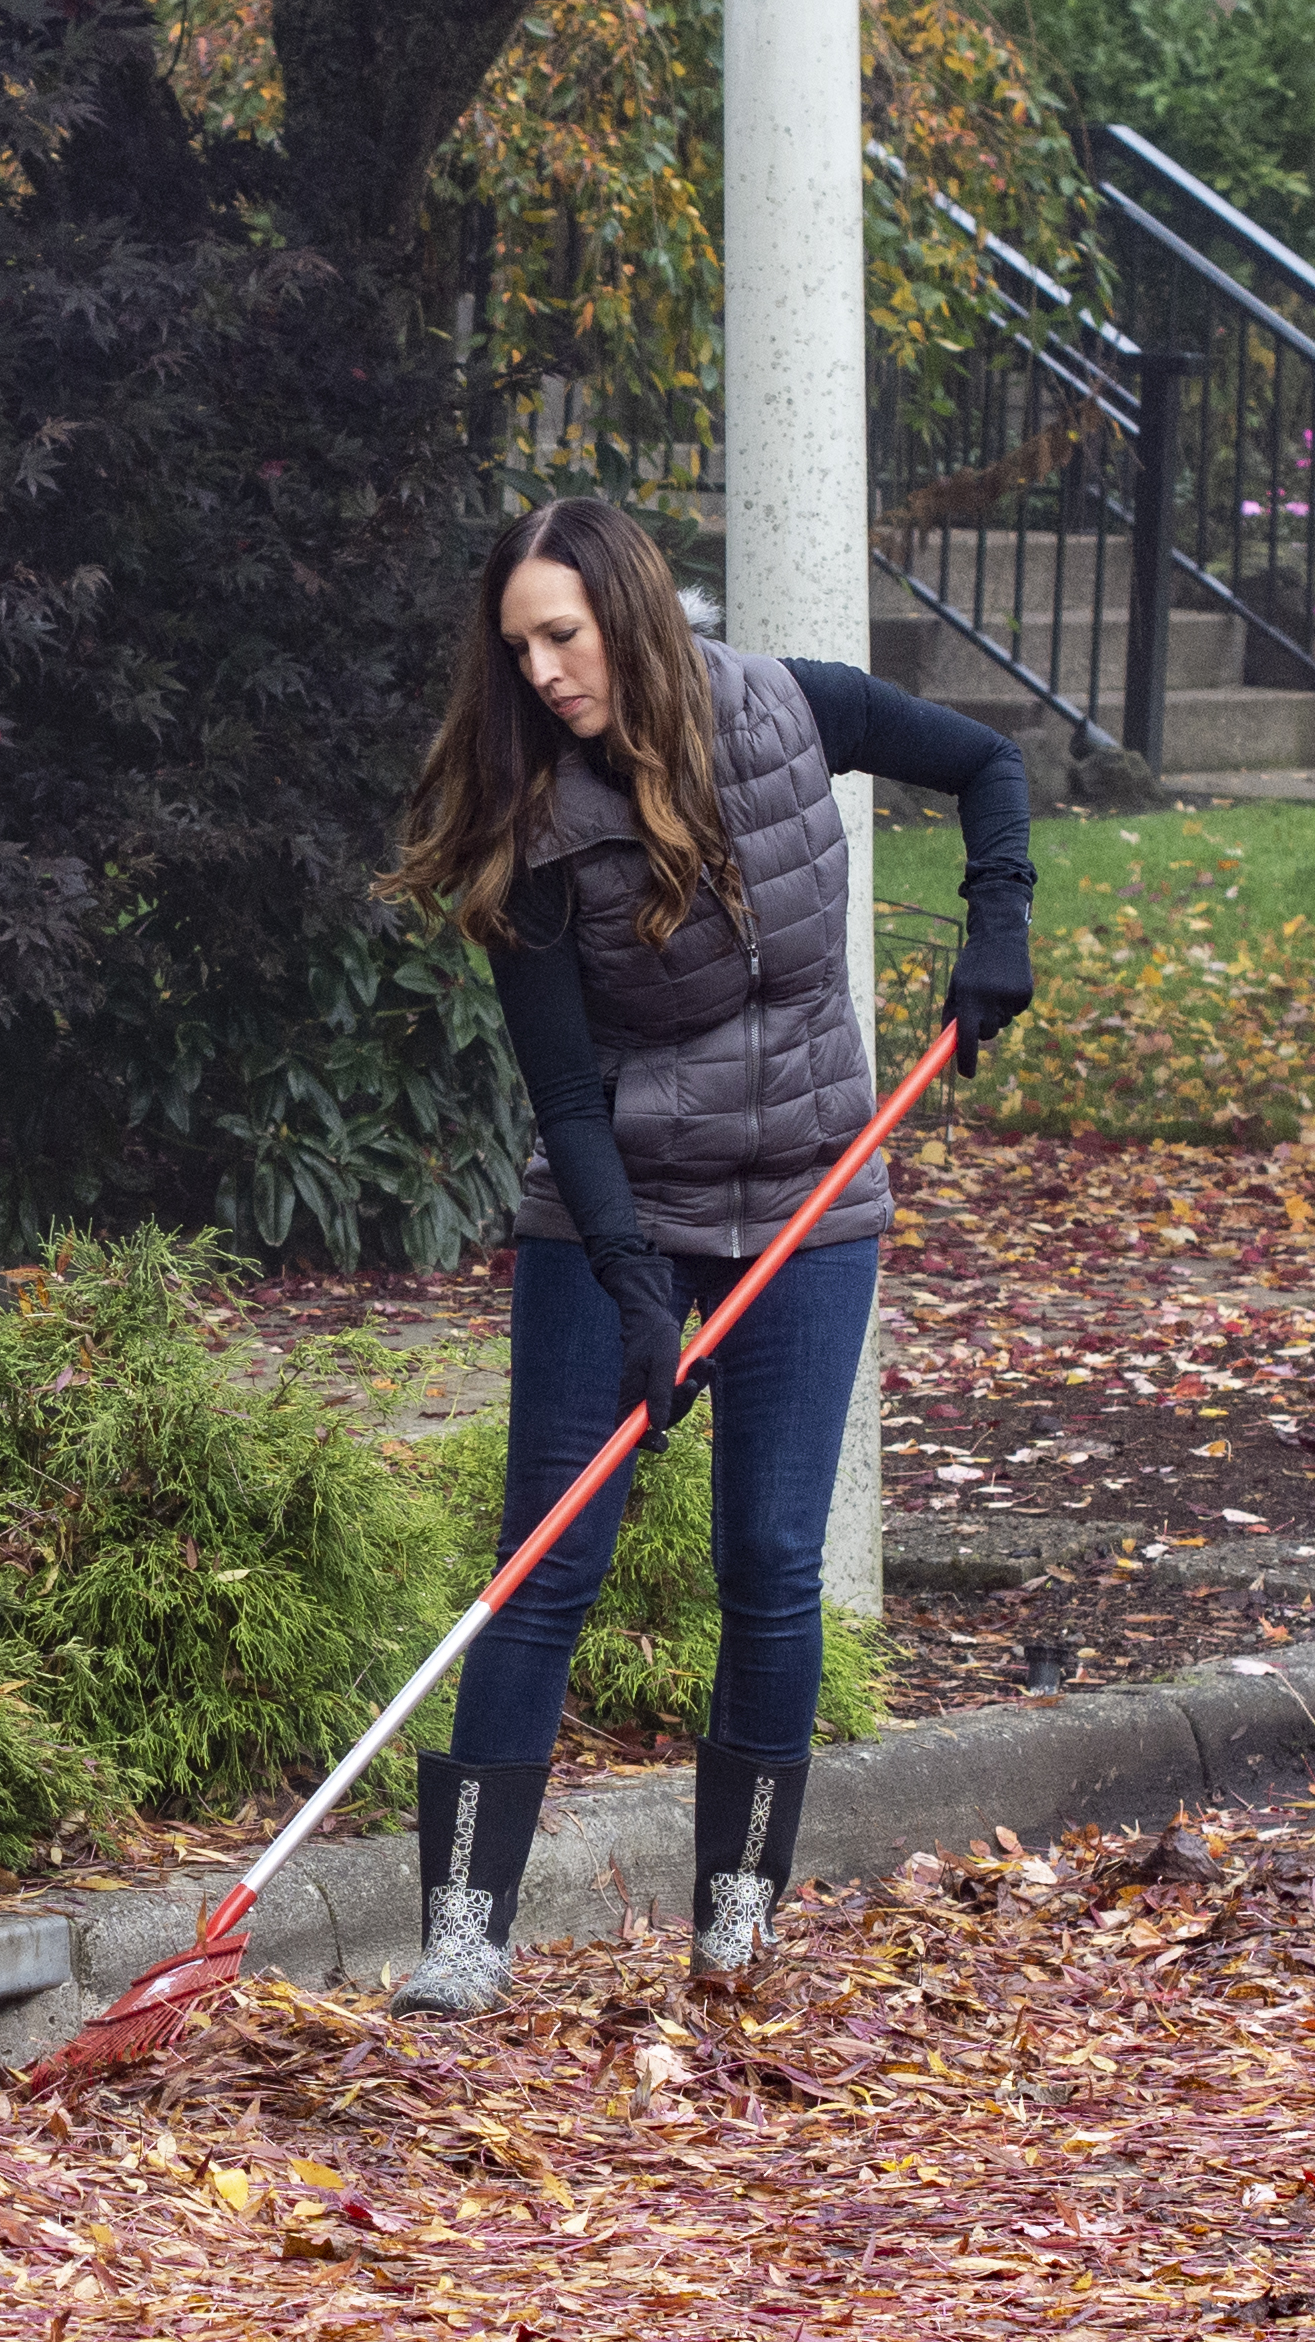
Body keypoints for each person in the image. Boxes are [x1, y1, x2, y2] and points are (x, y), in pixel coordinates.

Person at [371, 495, 1037, 2013]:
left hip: (810, 1199)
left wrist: (995, 920)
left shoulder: (787, 710)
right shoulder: (532, 828)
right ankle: (463, 1938)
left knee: (767, 1564)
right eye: (517, 648)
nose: (539, 672)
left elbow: (987, 763)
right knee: (548, 1561)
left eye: (562, 635)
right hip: (621, 1209)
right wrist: (624, 1289)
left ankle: (734, 1920)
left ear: (630, 615)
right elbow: (561, 1092)